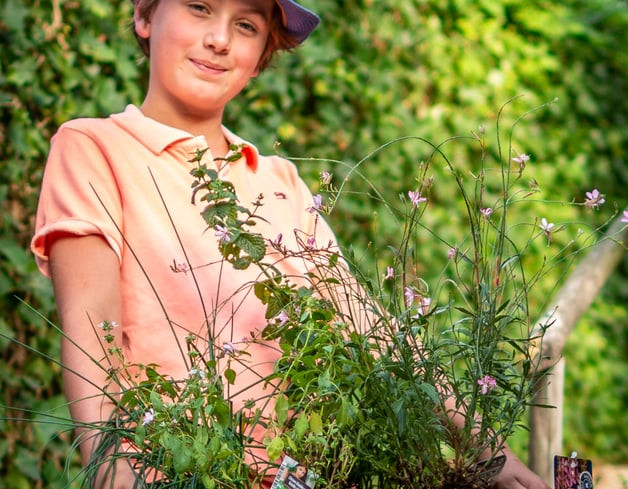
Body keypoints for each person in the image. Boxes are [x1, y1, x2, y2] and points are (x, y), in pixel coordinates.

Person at [30, 1, 549, 488]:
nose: (219, 39)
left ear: (259, 60)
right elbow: (92, 339)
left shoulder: (282, 181)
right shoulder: (93, 148)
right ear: (145, 16)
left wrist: (488, 452)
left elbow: (366, 328)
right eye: (199, 7)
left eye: (247, 25)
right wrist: (114, 476)